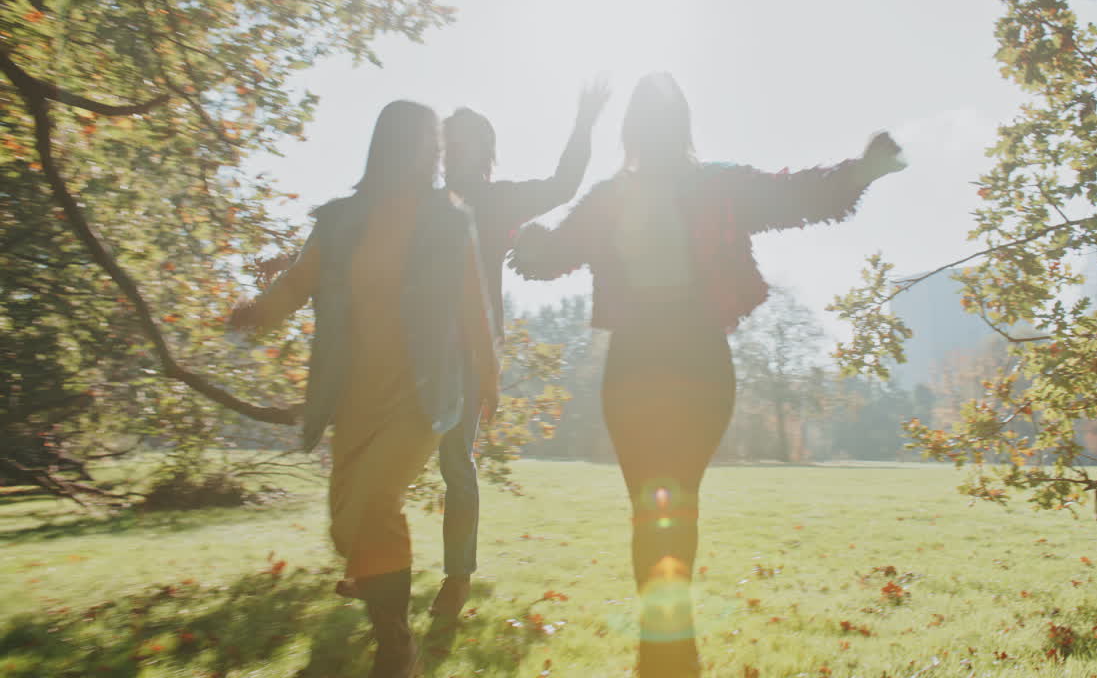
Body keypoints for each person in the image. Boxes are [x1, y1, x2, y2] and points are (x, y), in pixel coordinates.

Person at [509, 72, 906, 677]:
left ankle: (665, 657)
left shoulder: (716, 186)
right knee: (657, 511)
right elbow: (553, 254)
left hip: (694, 360)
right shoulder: (611, 197)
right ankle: (667, 657)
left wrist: (859, 172)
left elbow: (793, 195)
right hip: (638, 363)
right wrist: (528, 241)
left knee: (670, 507)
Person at [228, 100, 499, 678]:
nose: (436, 150)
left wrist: (489, 375)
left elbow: (470, 299)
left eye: (438, 141)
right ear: (396, 145)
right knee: (348, 522)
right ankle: (391, 629)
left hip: (421, 394)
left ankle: (394, 648)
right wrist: (258, 312)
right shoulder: (342, 220)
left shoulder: (449, 219)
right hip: (353, 393)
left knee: (377, 503)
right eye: (427, 138)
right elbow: (302, 277)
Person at [428, 80, 608, 618]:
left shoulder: (497, 200)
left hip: (469, 351)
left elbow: (564, 183)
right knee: (379, 448)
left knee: (455, 462)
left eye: (460, 142)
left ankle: (457, 577)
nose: (450, 152)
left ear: (483, 151)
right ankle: (371, 564)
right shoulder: (424, 203)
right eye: (446, 142)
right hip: (412, 347)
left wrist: (583, 119)